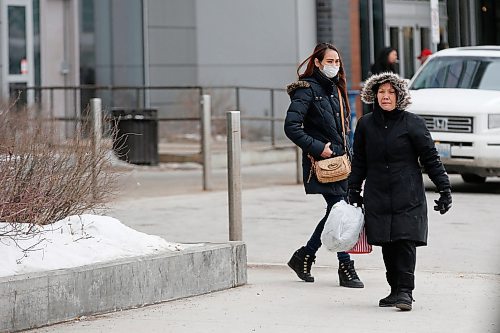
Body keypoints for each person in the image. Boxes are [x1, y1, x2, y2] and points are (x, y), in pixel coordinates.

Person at [348, 72, 452, 311]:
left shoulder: (412, 123)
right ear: (374, 95)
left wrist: (444, 188)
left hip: (407, 191)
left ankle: (406, 291)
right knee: (387, 241)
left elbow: (430, 158)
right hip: (378, 192)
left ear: (399, 96)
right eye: (381, 92)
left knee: (405, 240)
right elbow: (360, 160)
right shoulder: (365, 124)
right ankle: (395, 290)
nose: (385, 97)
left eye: (390, 92)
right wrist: (353, 188)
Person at [284, 42, 364, 288]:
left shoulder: (336, 89)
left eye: (337, 62)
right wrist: (318, 148)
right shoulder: (306, 90)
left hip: (341, 162)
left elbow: (342, 129)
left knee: (335, 211)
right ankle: (345, 265)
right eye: (329, 61)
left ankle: (305, 255)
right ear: (317, 63)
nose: (334, 66)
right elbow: (291, 127)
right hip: (321, 162)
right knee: (339, 209)